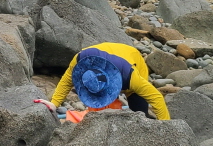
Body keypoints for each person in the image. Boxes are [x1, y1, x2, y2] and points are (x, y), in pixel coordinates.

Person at [35, 42, 170, 120]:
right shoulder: (79, 62)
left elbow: (157, 98)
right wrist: (54, 103)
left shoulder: (131, 78)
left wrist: (167, 129)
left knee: (139, 113)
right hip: (106, 55)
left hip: (132, 59)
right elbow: (66, 82)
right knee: (98, 111)